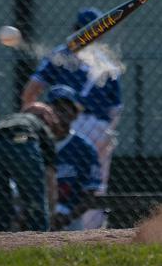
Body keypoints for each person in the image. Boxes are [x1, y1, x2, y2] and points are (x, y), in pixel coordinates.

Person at [20, 7, 123, 229]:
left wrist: (32, 116)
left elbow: (31, 91)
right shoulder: (105, 59)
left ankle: (55, 224)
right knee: (96, 184)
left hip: (69, 123)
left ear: (75, 29)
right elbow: (116, 108)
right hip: (102, 127)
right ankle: (93, 232)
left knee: (60, 174)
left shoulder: (63, 52)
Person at [0, 103, 57, 232]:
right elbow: (49, 174)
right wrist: (51, 210)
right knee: (34, 200)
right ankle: (39, 235)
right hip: (22, 138)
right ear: (45, 117)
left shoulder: (8, 118)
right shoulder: (41, 126)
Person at [44, 85, 103, 231]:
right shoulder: (36, 143)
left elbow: (90, 195)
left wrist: (66, 218)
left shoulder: (85, 149)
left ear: (75, 114)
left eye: (65, 108)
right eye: (56, 108)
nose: (59, 113)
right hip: (36, 211)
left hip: (68, 216)